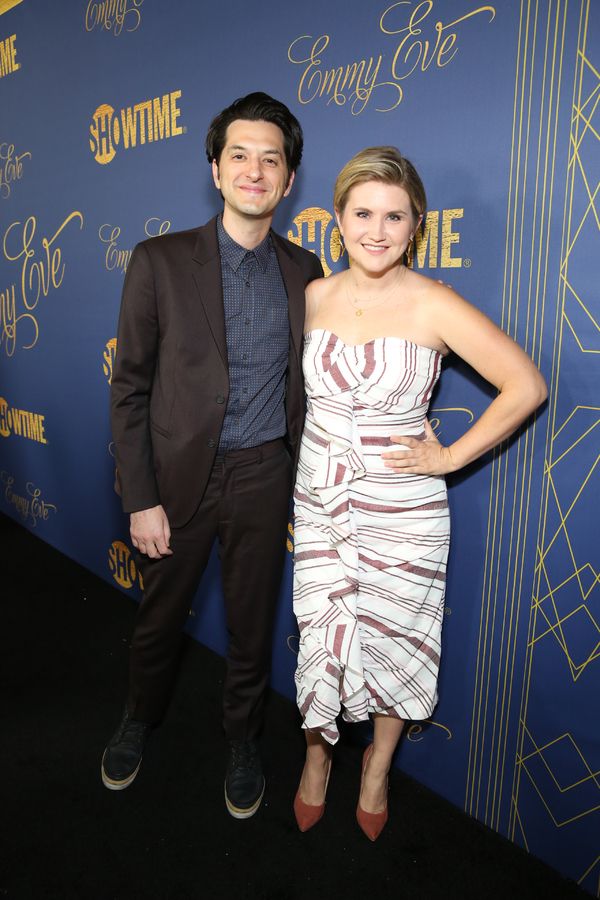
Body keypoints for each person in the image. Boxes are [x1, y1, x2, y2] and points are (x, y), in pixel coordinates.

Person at [291, 146, 547, 840]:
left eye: (394, 216)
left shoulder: (435, 303)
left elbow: (527, 385)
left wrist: (450, 457)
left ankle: (376, 766)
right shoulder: (311, 297)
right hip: (320, 504)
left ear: (416, 225)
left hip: (402, 510)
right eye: (363, 212)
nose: (377, 230)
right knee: (321, 632)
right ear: (338, 219)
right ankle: (316, 758)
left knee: (398, 640)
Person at [103, 92, 323, 819]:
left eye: (271, 159)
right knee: (160, 619)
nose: (255, 171)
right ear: (215, 168)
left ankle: (243, 739)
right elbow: (130, 387)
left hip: (264, 476)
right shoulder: (159, 260)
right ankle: (138, 720)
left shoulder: (306, 269)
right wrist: (139, 497)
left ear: (288, 180)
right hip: (176, 481)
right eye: (240, 155)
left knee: (252, 626)